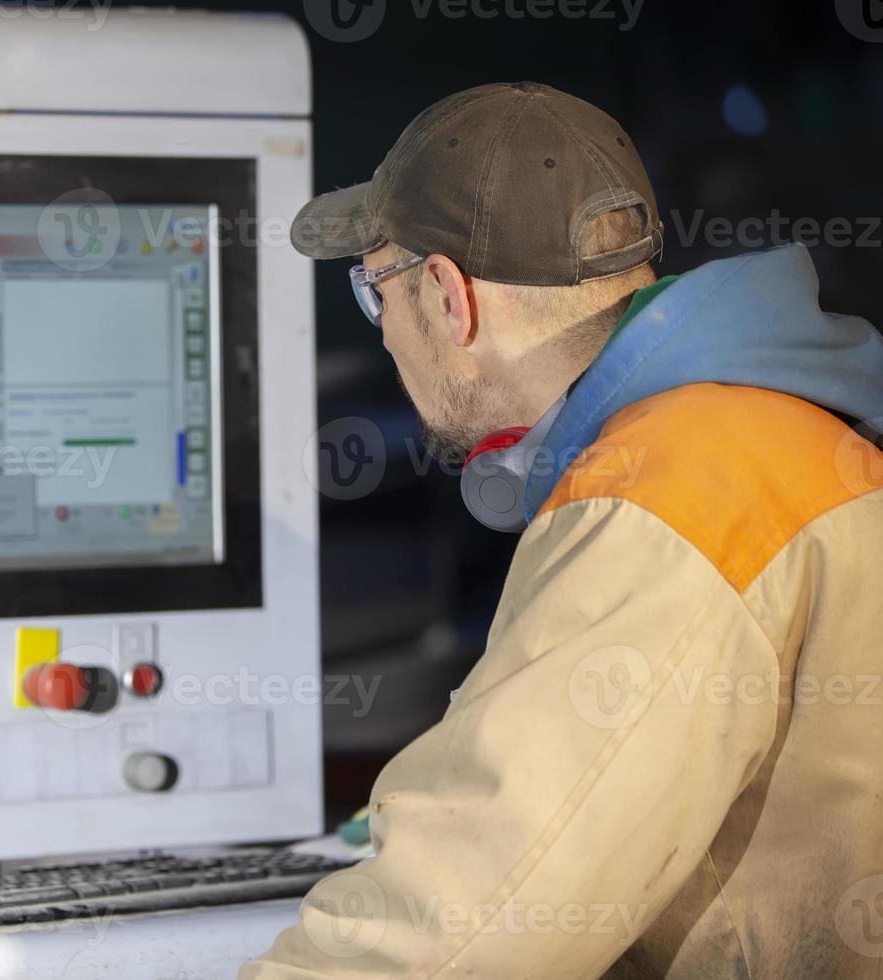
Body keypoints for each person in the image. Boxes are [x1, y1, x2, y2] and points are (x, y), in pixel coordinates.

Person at [243, 82, 883, 978]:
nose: (385, 336)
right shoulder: (772, 428)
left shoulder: (674, 488)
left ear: (446, 296)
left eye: (373, 289)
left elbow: (468, 928)